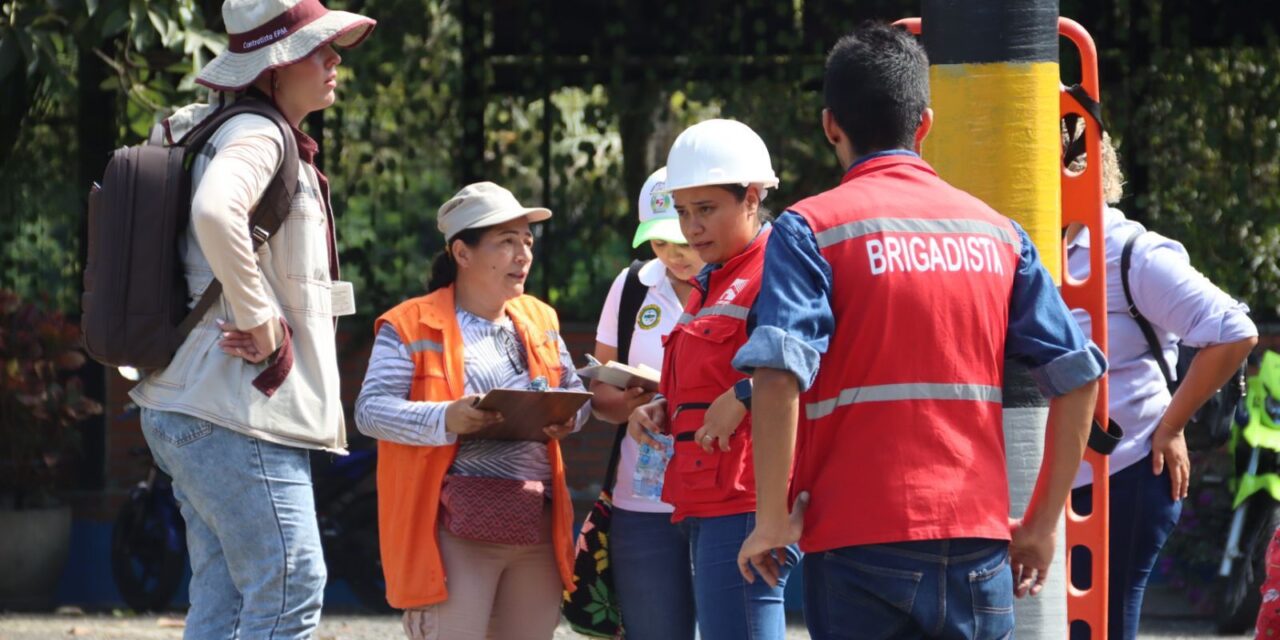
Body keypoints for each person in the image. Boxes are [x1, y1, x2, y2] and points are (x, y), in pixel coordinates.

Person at [733, 23, 1108, 639]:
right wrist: (1040, 526)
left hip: (857, 540)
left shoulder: (811, 229)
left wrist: (771, 518)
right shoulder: (999, 233)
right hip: (979, 544)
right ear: (925, 124)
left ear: (831, 125)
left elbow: (778, 372)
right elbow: (1080, 377)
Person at [127, 0, 374, 636]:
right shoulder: (260, 133)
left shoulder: (216, 127)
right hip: (236, 413)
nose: (334, 59)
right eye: (318, 48)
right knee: (291, 585)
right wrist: (259, 314)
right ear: (274, 67)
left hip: (190, 404)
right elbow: (215, 213)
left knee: (226, 596)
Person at [354, 182, 590, 640]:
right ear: (462, 253)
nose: (523, 256)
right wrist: (447, 418)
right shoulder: (410, 322)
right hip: (453, 532)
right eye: (506, 242)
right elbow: (370, 411)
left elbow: (574, 392)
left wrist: (568, 417)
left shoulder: (541, 318)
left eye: (527, 242)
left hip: (535, 525)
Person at [1062, 130, 1258, 640]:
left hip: (1125, 473)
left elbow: (1233, 330)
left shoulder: (1130, 252)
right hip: (1053, 481)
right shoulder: (1029, 242)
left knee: (1102, 625)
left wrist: (1172, 426)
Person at [628, 119, 799, 640]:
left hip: (749, 501)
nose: (691, 228)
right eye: (682, 212)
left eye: (706, 210)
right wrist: (667, 406)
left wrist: (745, 395)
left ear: (751, 198)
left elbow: (817, 360)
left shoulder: (780, 267)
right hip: (704, 497)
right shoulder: (711, 277)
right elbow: (709, 374)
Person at [590, 167, 704, 640]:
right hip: (643, 499)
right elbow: (600, 396)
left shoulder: (744, 283)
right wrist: (630, 403)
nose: (675, 255)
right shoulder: (632, 285)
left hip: (721, 498)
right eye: (660, 244)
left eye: (683, 241)